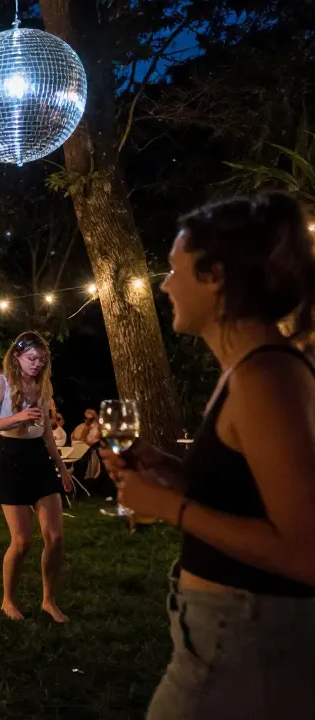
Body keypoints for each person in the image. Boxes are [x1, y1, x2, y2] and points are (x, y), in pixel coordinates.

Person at [101, 191, 315, 719]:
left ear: (215, 274)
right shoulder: (246, 371)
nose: (165, 284)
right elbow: (252, 496)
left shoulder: (266, 377)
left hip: (244, 640)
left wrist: (168, 506)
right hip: (225, 632)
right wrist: (171, 471)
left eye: (175, 270)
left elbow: (304, 552)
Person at [0, 332, 73, 623]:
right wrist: (17, 418)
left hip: (39, 460)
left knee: (55, 538)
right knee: (22, 542)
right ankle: (8, 600)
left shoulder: (43, 385)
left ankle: (48, 601)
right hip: (11, 458)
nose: (37, 364)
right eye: (32, 358)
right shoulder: (1, 383)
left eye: (41, 360)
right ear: (16, 356)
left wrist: (62, 467)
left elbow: (46, 432)